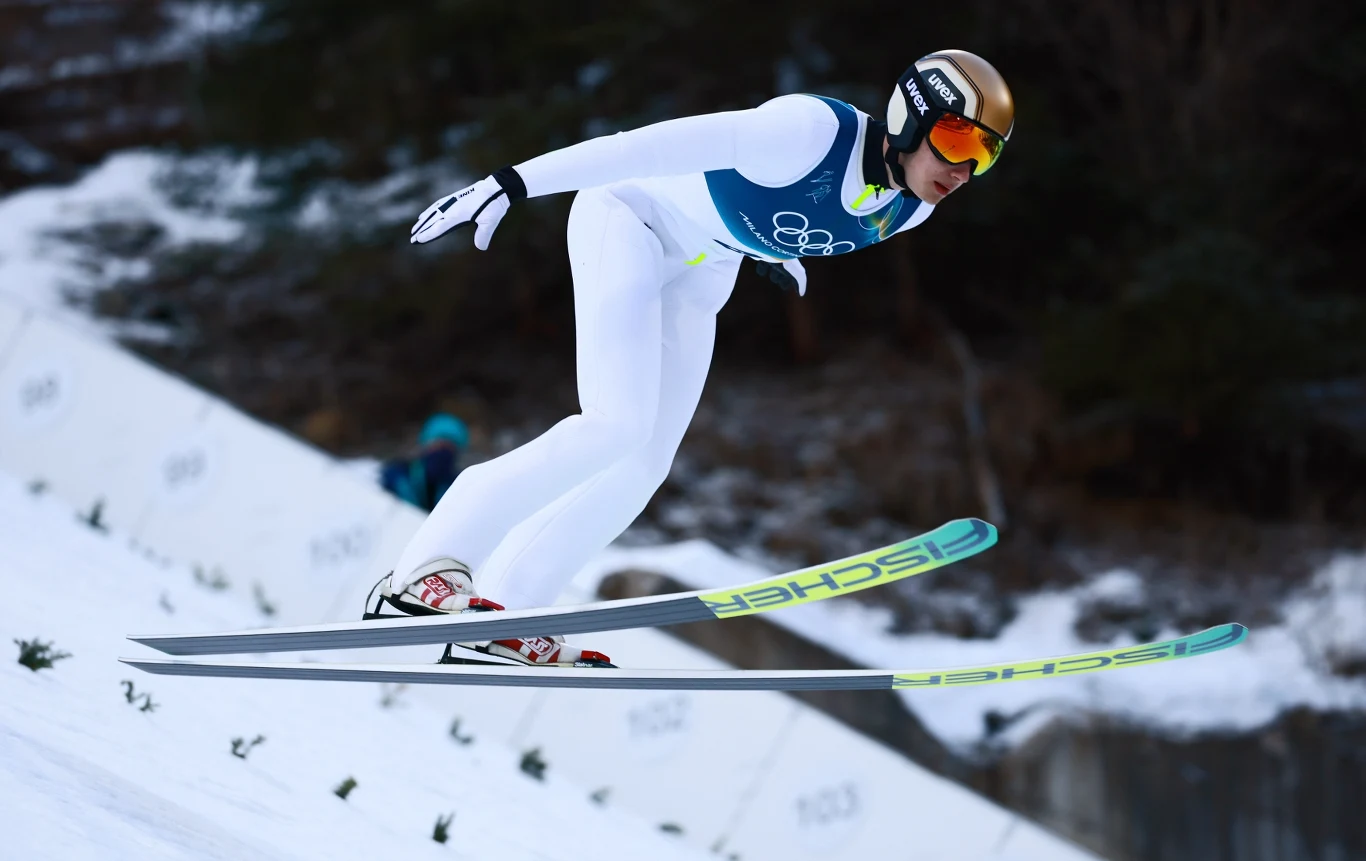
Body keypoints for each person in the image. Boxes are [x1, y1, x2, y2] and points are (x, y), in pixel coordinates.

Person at [377, 50, 1015, 667]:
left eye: (984, 156)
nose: (964, 170)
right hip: (627, 219)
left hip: (705, 269)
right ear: (910, 119)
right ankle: (425, 569)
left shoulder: (908, 210)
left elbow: (805, 208)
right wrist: (512, 183)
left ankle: (510, 607)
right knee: (614, 423)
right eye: (957, 141)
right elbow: (642, 148)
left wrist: (776, 251)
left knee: (644, 462)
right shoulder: (807, 133)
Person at [379, 413, 469, 512]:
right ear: (426, 443)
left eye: (449, 446)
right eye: (438, 443)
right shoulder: (398, 475)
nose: (443, 450)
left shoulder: (459, 484)